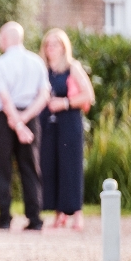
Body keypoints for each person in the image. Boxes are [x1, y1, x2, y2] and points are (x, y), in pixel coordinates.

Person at [0, 22, 51, 231]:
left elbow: (4, 97)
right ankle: (35, 218)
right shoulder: (37, 62)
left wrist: (16, 122)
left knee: (3, 168)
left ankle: (5, 218)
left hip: (5, 119)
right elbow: (44, 95)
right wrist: (24, 120)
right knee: (30, 168)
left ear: (6, 39)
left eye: (0, 37)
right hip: (29, 117)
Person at [39, 29, 95, 230]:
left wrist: (65, 103)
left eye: (55, 44)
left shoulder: (73, 68)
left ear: (64, 47)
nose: (51, 48)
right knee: (50, 166)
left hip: (69, 121)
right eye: (48, 44)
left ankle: (77, 214)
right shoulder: (43, 70)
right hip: (48, 124)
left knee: (70, 167)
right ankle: (58, 213)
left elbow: (88, 95)